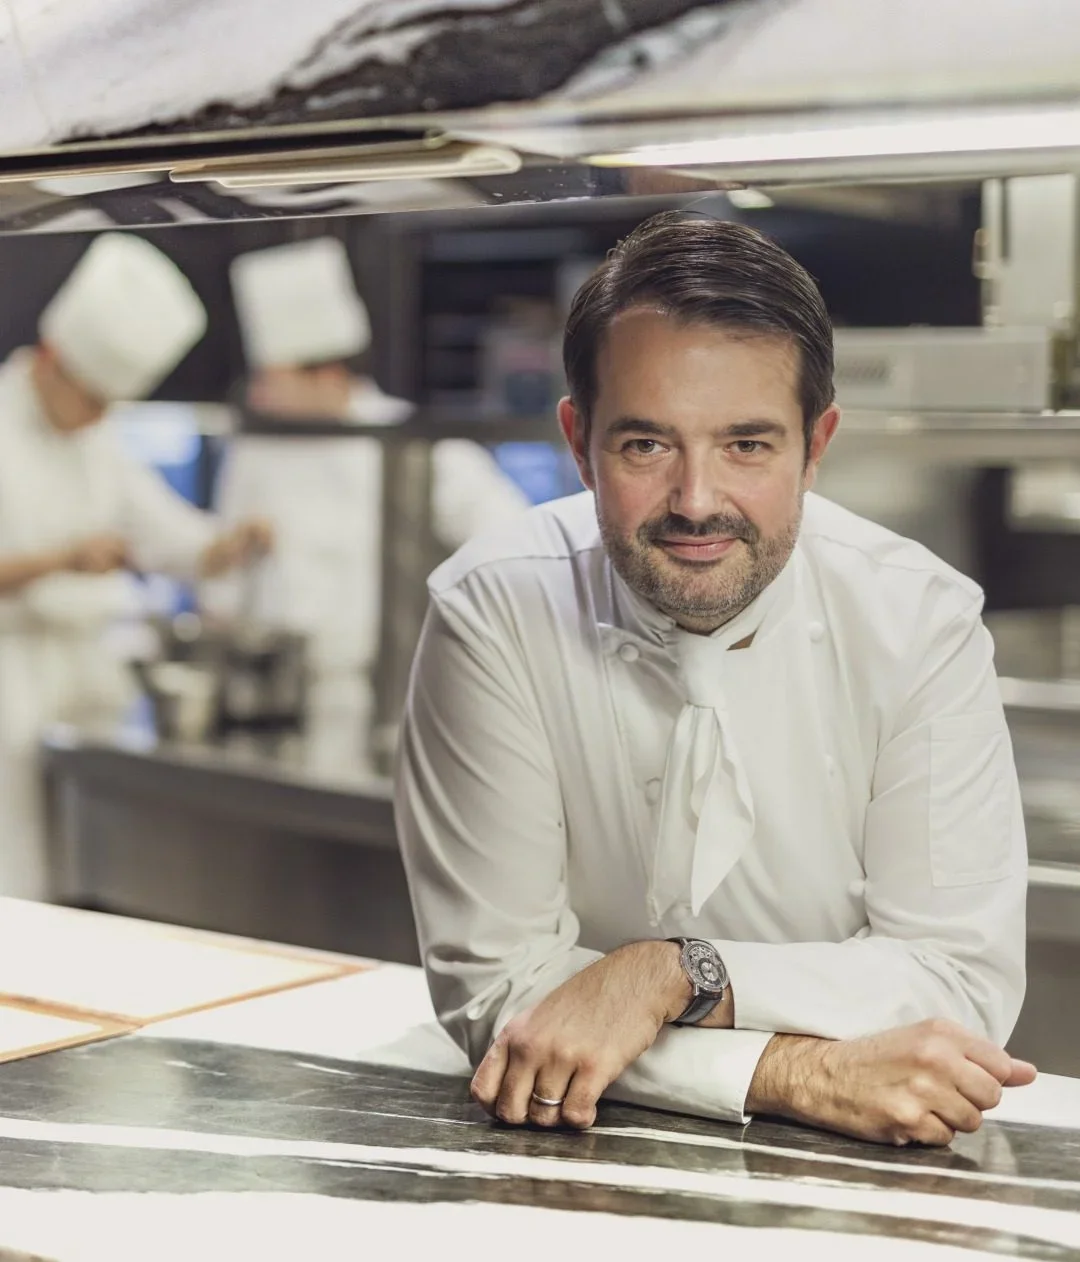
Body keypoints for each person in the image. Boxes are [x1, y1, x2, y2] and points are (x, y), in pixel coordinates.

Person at [396, 211, 1035, 1148]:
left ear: (817, 446)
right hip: (573, 1160)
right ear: (578, 443)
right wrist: (795, 1071)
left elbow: (961, 986)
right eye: (646, 446)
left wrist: (668, 975)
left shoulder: (920, 621)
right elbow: (500, 995)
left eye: (748, 445)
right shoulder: (492, 610)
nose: (697, 502)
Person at [0, 232, 272, 900]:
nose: (98, 416)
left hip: (82, 688)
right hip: (9, 682)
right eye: (93, 398)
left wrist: (225, 545)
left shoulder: (96, 436)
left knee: (78, 889)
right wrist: (61, 561)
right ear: (52, 360)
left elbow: (162, 531)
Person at [203, 237, 529, 765]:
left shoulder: (410, 445)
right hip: (271, 702)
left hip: (388, 705)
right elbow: (222, 580)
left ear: (326, 373)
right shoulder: (258, 445)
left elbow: (509, 544)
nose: (258, 393)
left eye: (271, 376)